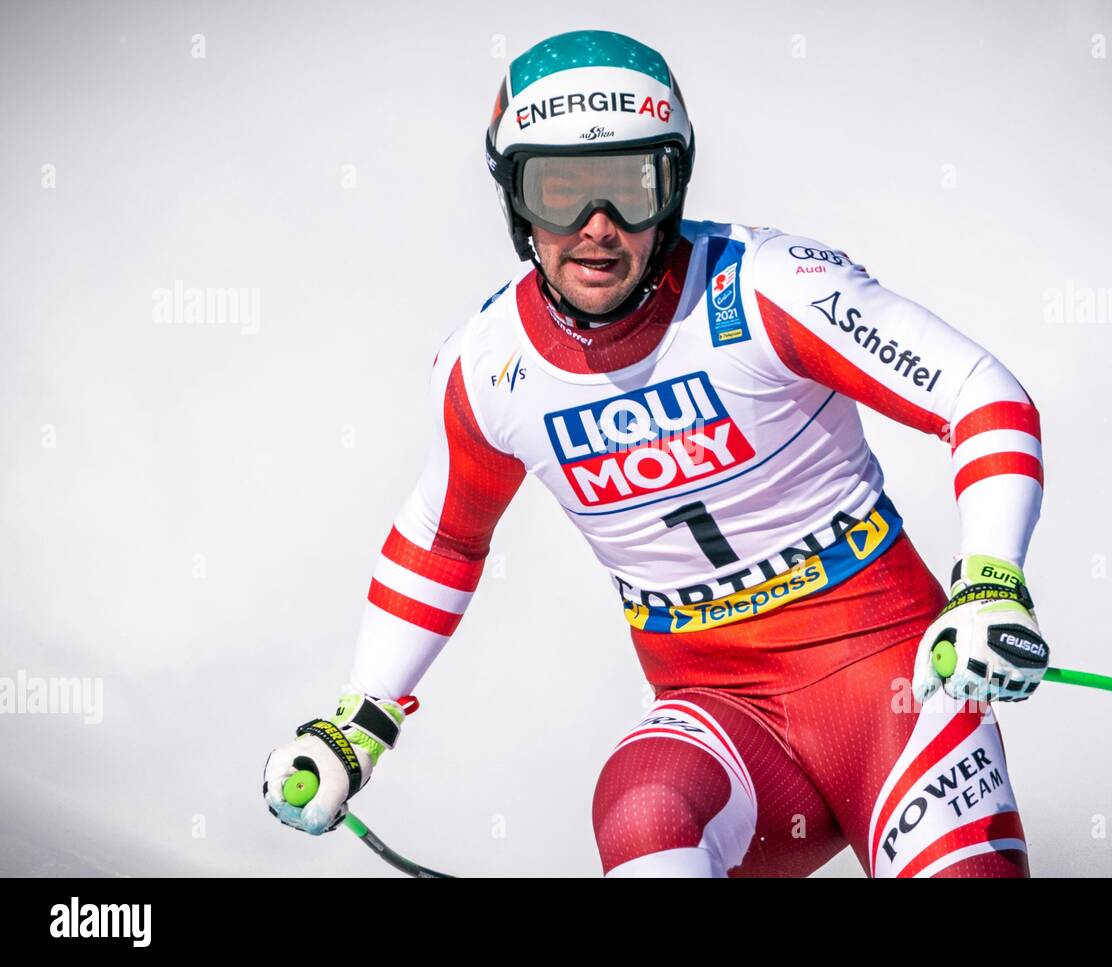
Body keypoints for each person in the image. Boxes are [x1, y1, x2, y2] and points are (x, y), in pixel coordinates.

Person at [263, 29, 1048, 878]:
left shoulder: (765, 286)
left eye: (632, 188)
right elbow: (444, 539)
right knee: (641, 805)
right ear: (514, 201)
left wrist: (993, 577)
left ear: (672, 186)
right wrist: (360, 718)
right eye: (559, 190)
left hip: (892, 690)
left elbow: (979, 393)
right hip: (718, 717)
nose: (595, 230)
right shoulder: (487, 367)